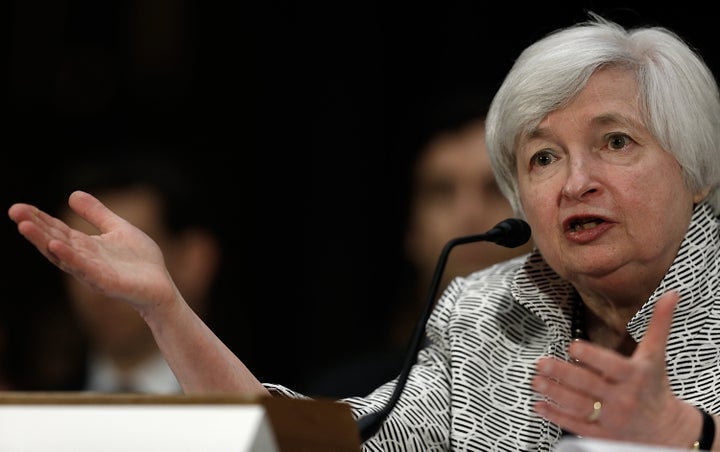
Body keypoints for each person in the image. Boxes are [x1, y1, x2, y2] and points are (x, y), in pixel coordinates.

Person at [8, 13, 720, 450]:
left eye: (616, 143)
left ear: (694, 169)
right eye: (543, 157)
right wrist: (165, 310)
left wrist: (685, 436)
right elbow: (319, 446)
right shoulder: (484, 315)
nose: (574, 182)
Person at [301, 87, 534, 398]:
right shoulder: (346, 399)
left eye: (495, 189)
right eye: (442, 191)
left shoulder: (598, 391)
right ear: (412, 231)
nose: (469, 215)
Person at [15, 151, 222, 393]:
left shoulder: (264, 402)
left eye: (126, 257)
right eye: (79, 257)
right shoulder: (34, 411)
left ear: (194, 260)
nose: (101, 283)